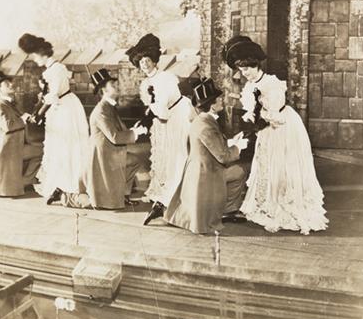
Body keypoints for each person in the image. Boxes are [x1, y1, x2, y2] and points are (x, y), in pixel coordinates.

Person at [228, 37, 328, 234]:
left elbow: (275, 116)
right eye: (241, 69)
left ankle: (281, 206)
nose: (244, 73)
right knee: (266, 163)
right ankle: (264, 203)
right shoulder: (249, 86)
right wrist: (251, 118)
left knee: (282, 165)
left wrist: (258, 117)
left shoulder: (272, 84)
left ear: (256, 65)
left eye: (247, 69)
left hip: (282, 128)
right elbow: (252, 112)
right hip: (266, 130)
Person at [153, 77, 249, 232]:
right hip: (207, 174)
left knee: (237, 170)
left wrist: (232, 142)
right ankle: (227, 210)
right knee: (240, 171)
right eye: (218, 99)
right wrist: (239, 147)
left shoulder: (203, 120)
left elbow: (211, 145)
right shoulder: (206, 125)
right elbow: (223, 157)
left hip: (200, 170)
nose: (221, 100)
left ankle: (226, 209)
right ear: (211, 105)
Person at [125, 33, 192, 224]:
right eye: (141, 62)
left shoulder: (166, 78)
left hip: (178, 117)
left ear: (154, 60)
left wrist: (151, 114)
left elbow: (162, 110)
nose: (144, 64)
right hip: (163, 122)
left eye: (147, 60)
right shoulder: (146, 83)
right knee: (165, 158)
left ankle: (175, 198)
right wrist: (145, 120)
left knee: (179, 156)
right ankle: (163, 196)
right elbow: (152, 109)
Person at [60, 69, 149, 210]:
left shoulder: (109, 106)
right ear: (104, 90)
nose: (117, 87)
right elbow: (115, 137)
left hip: (111, 152)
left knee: (135, 161)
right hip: (102, 156)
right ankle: (64, 196)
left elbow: (117, 130)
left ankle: (123, 195)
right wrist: (135, 132)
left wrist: (133, 129)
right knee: (96, 202)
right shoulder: (101, 110)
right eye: (113, 85)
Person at [18, 33, 89, 204]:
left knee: (67, 145)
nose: (34, 59)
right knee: (57, 146)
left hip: (66, 109)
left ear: (41, 53)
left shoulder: (57, 69)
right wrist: (38, 113)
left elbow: (53, 96)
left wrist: (39, 115)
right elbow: (46, 97)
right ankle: (58, 184)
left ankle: (70, 184)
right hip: (57, 109)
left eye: (34, 55)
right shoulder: (49, 70)